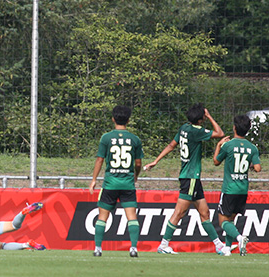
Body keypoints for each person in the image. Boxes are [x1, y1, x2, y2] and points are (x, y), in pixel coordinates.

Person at [143, 103, 229, 255]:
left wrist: (156, 161)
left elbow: (171, 145)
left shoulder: (184, 128)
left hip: (191, 178)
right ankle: (163, 244)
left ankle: (218, 245)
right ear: (201, 118)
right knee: (179, 212)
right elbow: (220, 133)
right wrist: (209, 116)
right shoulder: (197, 131)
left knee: (205, 213)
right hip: (190, 177)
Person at [88, 105, 143, 257]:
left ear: (113, 119)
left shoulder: (106, 138)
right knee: (131, 217)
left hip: (110, 184)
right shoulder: (134, 139)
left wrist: (94, 179)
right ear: (129, 120)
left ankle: (98, 249)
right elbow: (138, 163)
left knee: (102, 217)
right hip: (127, 184)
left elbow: (100, 160)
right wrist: (135, 175)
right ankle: (133, 249)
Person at [211, 114, 262, 256]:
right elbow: (257, 168)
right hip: (243, 189)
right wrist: (249, 166)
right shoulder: (252, 148)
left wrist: (218, 145)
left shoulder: (228, 145)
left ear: (234, 128)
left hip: (229, 188)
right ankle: (227, 248)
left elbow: (216, 162)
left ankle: (239, 238)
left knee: (223, 222)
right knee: (231, 219)